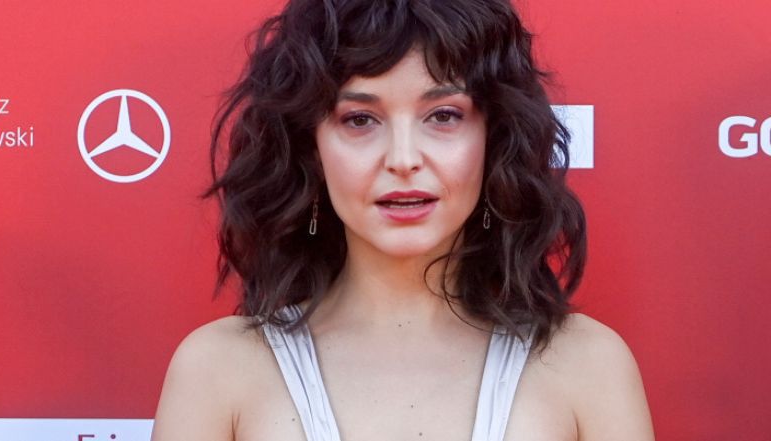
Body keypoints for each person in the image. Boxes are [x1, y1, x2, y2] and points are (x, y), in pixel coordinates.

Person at [151, 0, 655, 440]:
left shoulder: (586, 366)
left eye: (443, 116)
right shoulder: (219, 370)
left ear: (494, 137)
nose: (403, 158)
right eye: (360, 120)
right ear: (311, 147)